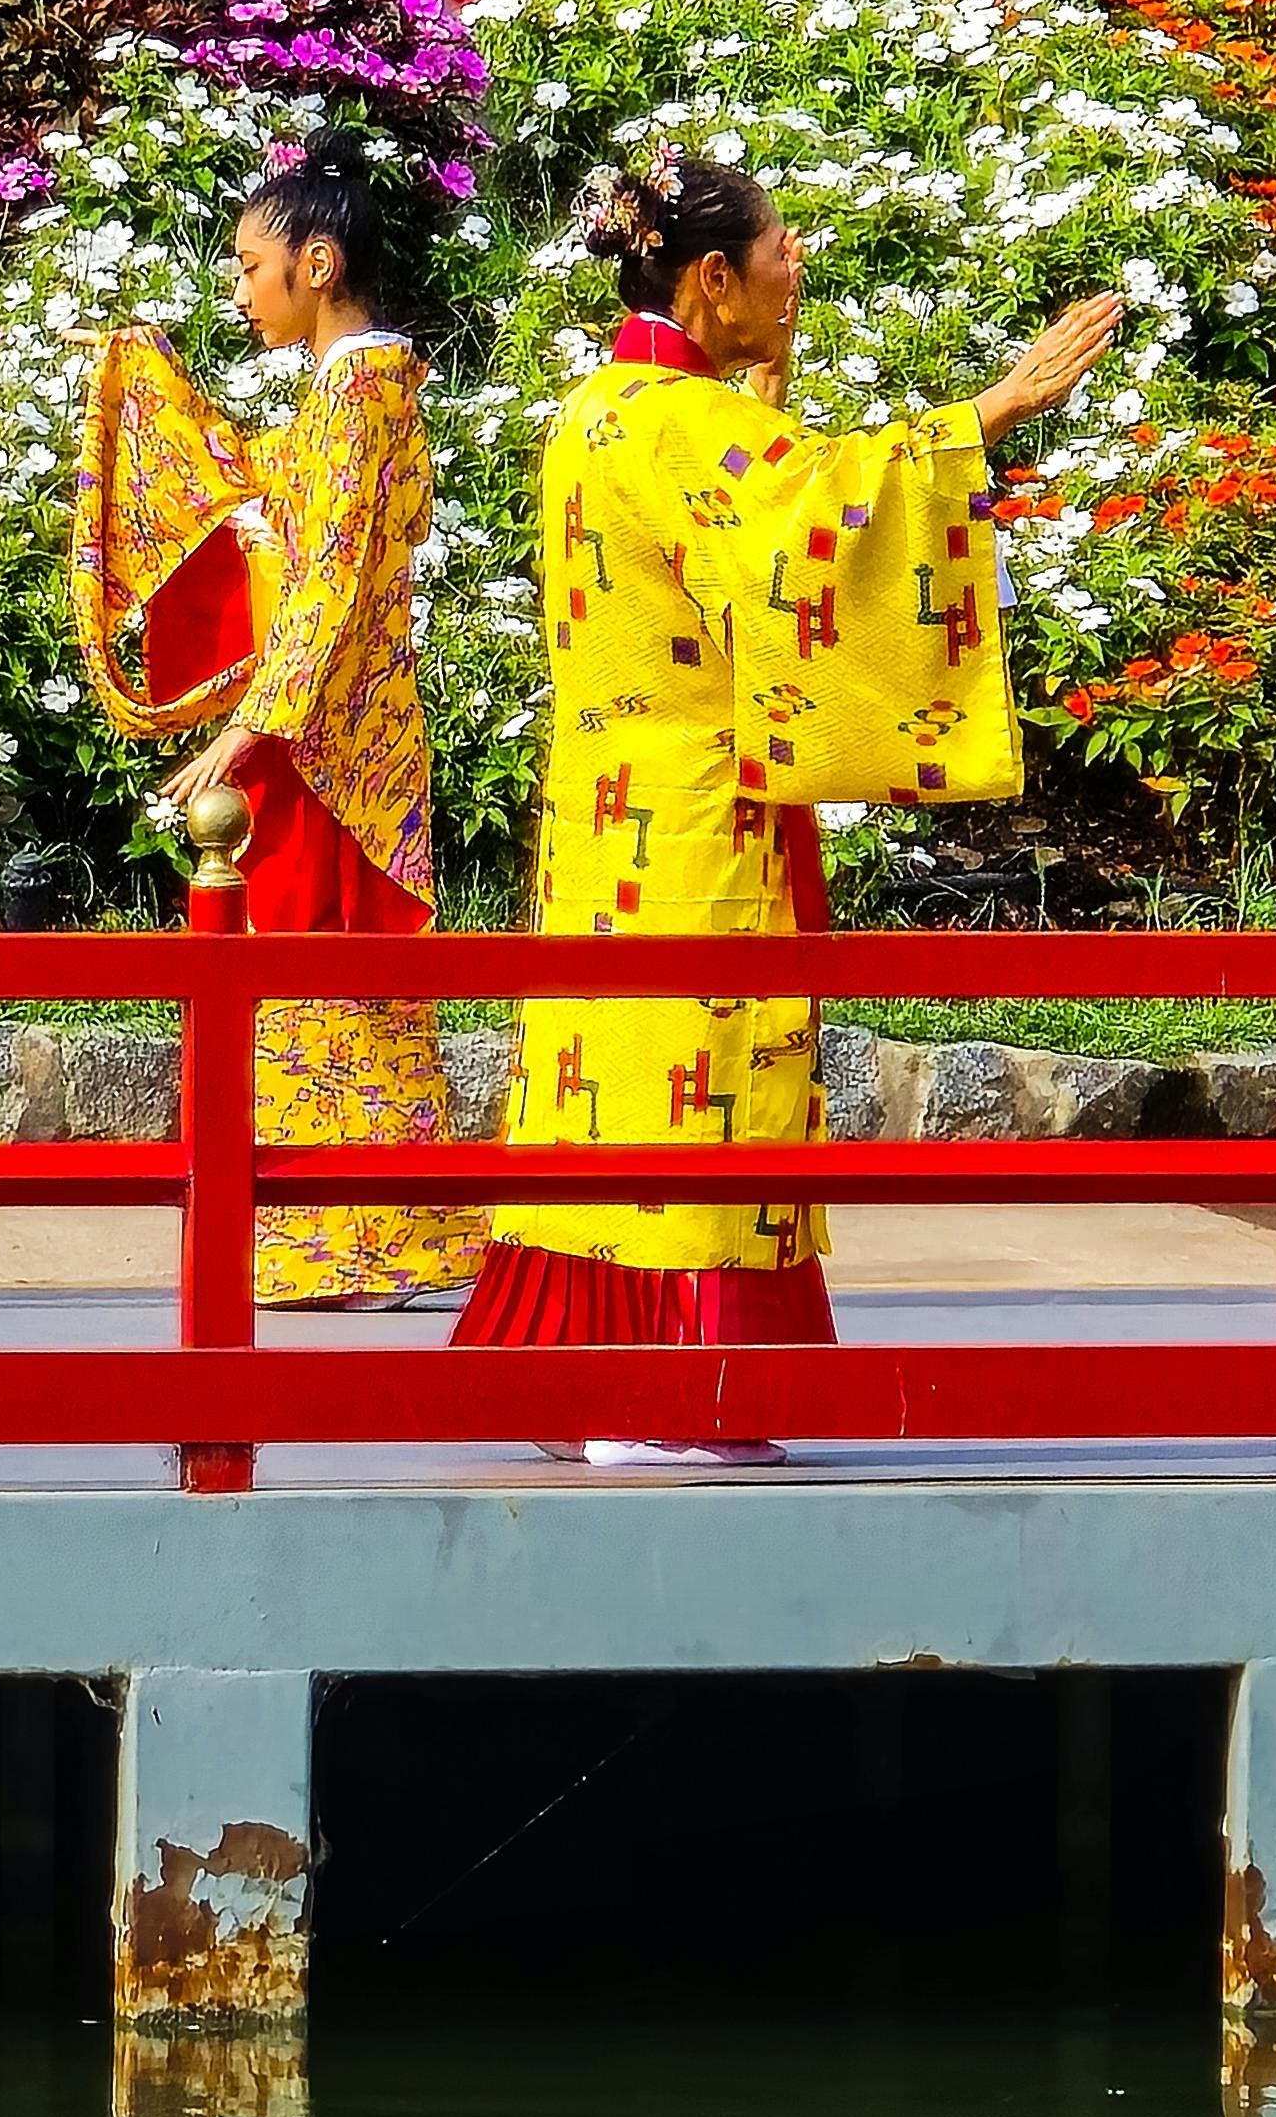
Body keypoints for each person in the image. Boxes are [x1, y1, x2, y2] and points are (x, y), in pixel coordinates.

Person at [457, 148, 1121, 1465]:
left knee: (610, 1099)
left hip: (602, 810)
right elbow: (827, 513)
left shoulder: (595, 406)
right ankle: (669, 1391)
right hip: (696, 816)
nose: (796, 265)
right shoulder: (687, 423)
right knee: (696, 1103)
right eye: (777, 252)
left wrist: (770, 399)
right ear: (712, 278)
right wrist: (996, 406)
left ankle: (597, 1370)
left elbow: (754, 542)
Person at [72, 129, 486, 1308]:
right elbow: (269, 502)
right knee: (326, 971)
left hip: (330, 734)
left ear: (317, 262)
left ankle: (353, 1233)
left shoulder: (358, 390)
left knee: (316, 958)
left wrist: (248, 725)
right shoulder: (348, 390)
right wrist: (147, 388)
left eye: (252, 265)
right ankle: (360, 1228)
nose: (240, 290)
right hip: (337, 722)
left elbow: (334, 582)